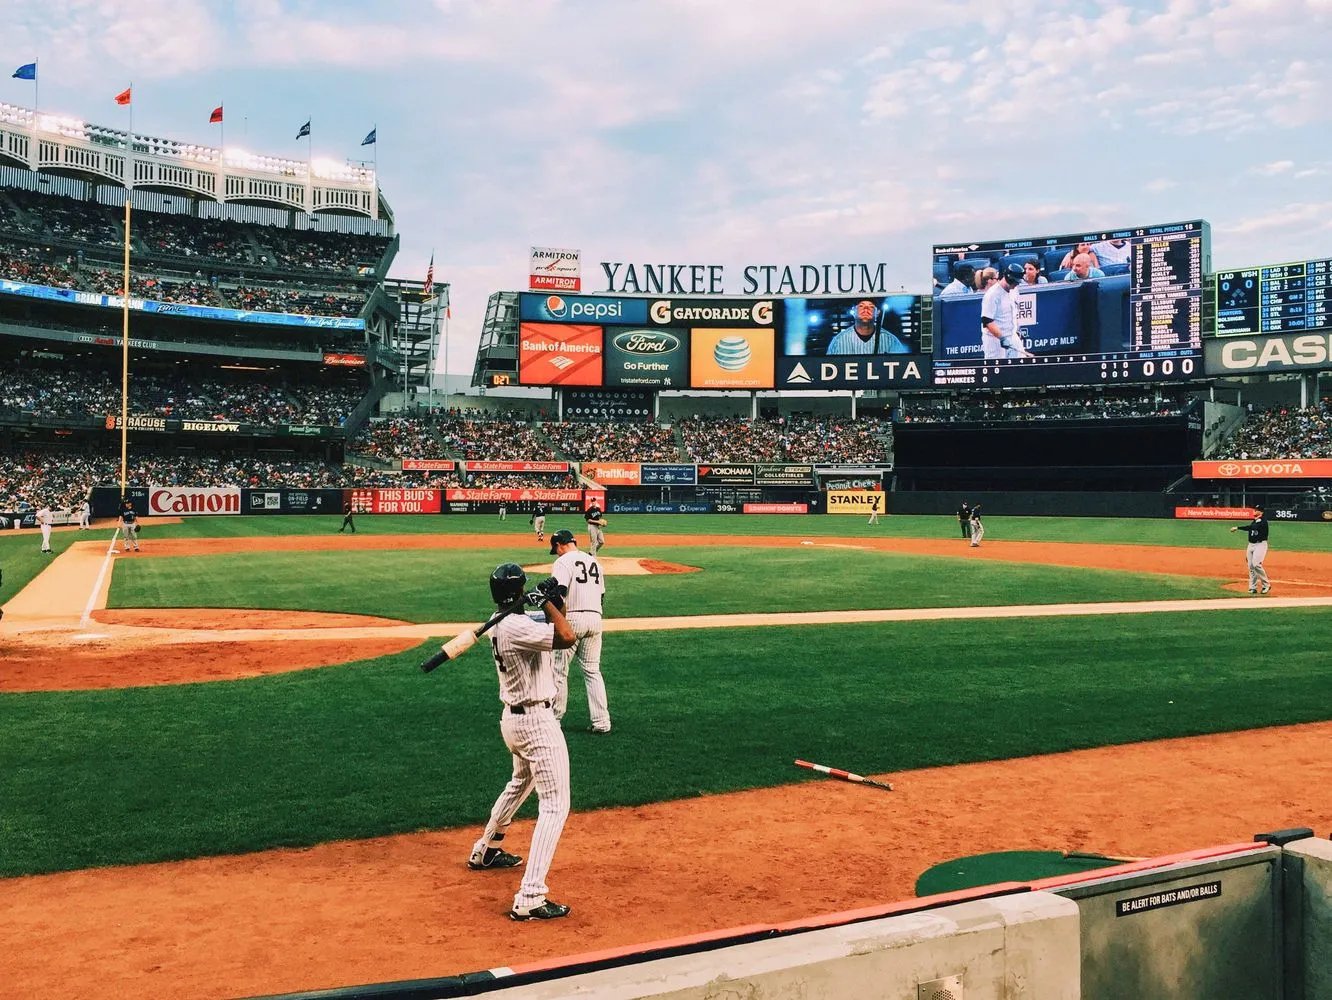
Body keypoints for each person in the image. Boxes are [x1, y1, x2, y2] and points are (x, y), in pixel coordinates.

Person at [468, 562, 577, 921]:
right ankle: (530, 896)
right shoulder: (515, 627)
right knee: (555, 806)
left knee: (520, 783)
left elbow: (547, 620)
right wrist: (548, 603)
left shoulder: (502, 621)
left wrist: (552, 600)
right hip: (536, 724)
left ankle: (486, 848)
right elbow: (566, 636)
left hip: (513, 722)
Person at [549, 529, 611, 734]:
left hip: (572, 618)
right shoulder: (594, 562)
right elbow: (601, 595)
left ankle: (554, 720)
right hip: (595, 618)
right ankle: (602, 722)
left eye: (555, 549)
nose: (556, 552)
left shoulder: (563, 562)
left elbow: (559, 595)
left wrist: (558, 622)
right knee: (593, 671)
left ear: (560, 545)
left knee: (558, 670)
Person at [980, 264, 1033, 360]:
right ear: (1009, 279)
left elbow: (1013, 312)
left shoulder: (1014, 290)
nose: (1016, 285)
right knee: (996, 370)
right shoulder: (992, 295)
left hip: (1012, 335)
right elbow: (987, 321)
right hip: (994, 340)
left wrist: (1016, 330)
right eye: (1015, 283)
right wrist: (1002, 338)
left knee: (1020, 365)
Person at [825, 299, 909, 355]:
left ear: (877, 313)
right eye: (861, 306)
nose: (866, 309)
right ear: (853, 311)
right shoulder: (839, 341)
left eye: (871, 307)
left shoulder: (890, 340)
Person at [1229, 504, 1271, 595]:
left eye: (1257, 510)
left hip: (1260, 545)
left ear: (1261, 512)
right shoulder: (1255, 520)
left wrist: (1238, 528)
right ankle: (1253, 588)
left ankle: (1266, 585)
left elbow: (1252, 528)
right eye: (1255, 509)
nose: (1254, 511)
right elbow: (1252, 527)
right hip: (1251, 545)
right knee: (1251, 567)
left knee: (1256, 565)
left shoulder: (1263, 521)